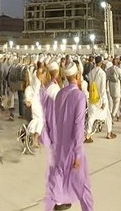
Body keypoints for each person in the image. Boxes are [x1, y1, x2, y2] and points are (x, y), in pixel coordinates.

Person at [43, 62, 92, 211]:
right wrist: (77, 154)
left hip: (59, 147)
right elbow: (78, 127)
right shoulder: (79, 96)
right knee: (83, 186)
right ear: (77, 76)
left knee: (58, 179)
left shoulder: (60, 94)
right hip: (71, 148)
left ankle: (56, 203)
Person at [84, 56, 116, 142]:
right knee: (107, 115)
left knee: (91, 116)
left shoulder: (91, 72)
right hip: (100, 98)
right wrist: (104, 101)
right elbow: (102, 89)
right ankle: (109, 133)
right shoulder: (102, 73)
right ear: (101, 63)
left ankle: (88, 135)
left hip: (92, 97)